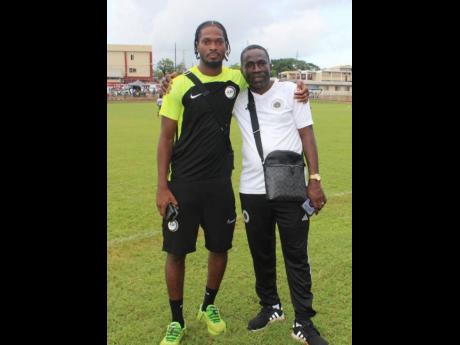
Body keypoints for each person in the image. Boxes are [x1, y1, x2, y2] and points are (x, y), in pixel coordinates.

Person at [156, 21, 309, 345]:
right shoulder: (179, 85)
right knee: (176, 252)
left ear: (227, 47)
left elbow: (265, 78)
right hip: (182, 184)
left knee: (219, 247)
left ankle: (208, 306)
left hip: (220, 185)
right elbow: (165, 138)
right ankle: (176, 320)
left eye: (219, 42)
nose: (213, 47)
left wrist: (295, 84)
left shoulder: (237, 79)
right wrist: (162, 186)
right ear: (197, 46)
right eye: (206, 41)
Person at [231, 45, 329, 345]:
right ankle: (270, 307)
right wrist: (171, 80)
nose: (257, 69)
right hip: (252, 189)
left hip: (289, 187)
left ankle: (303, 322)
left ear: (270, 64)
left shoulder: (291, 92)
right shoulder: (237, 97)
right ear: (242, 68)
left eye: (262, 63)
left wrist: (314, 179)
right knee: (261, 253)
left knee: (296, 255)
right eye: (250, 64)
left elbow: (307, 135)